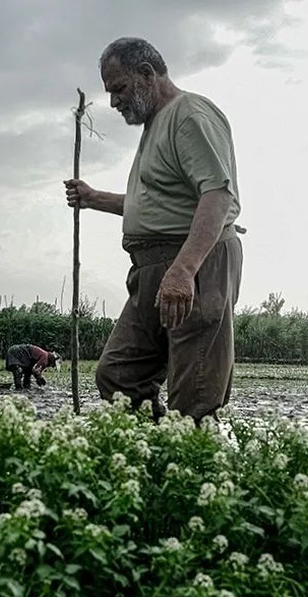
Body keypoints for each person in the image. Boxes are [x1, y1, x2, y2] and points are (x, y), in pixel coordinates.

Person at [64, 37, 244, 424]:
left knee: (195, 393)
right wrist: (93, 198)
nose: (113, 102)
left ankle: (191, 468)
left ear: (147, 74)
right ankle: (154, 461)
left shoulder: (189, 115)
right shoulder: (158, 124)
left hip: (191, 266)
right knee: (120, 375)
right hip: (151, 271)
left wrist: (183, 270)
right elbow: (156, 206)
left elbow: (217, 195)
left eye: (119, 89)